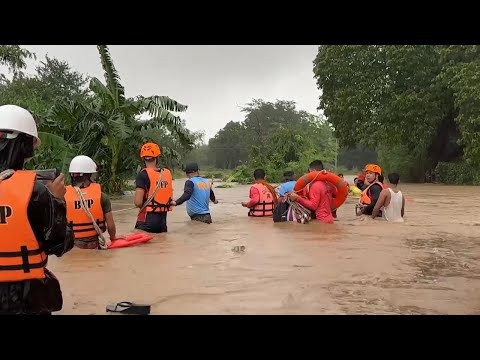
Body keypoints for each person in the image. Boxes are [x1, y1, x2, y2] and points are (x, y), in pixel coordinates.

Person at [0, 104, 74, 315]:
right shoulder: (37, 192)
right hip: (25, 298)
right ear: (25, 146)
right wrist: (57, 200)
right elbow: (61, 244)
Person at [64, 155, 116, 249]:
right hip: (94, 245)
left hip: (73, 247)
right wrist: (113, 238)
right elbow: (111, 225)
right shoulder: (102, 197)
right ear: (89, 175)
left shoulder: (63, 197)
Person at [134, 142, 173, 233]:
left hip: (146, 221)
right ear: (157, 157)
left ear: (143, 158)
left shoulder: (143, 174)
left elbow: (138, 202)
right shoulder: (166, 173)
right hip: (162, 223)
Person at [288, 160, 336, 224]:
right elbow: (335, 195)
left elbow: (313, 205)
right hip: (330, 219)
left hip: (321, 220)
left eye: (309, 171)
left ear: (313, 171)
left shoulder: (316, 185)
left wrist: (297, 198)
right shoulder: (328, 184)